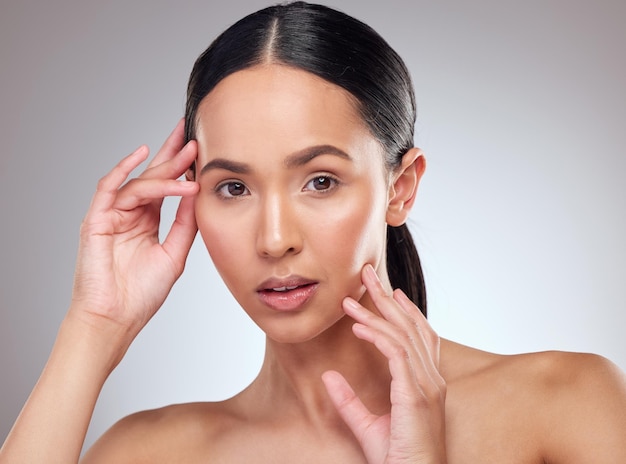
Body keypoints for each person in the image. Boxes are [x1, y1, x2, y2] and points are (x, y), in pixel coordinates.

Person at [1, 2, 625, 462]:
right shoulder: (148, 452)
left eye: (320, 181)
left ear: (400, 187)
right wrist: (95, 325)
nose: (274, 240)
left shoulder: (567, 404)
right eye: (234, 187)